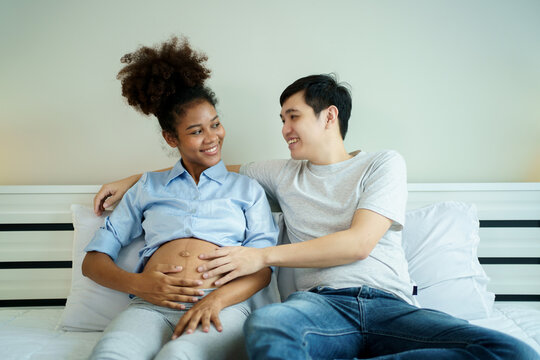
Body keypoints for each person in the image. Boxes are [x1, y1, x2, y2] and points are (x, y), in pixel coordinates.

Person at [94, 74, 539, 359]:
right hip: (319, 307)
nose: (283, 129)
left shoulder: (383, 163)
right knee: (268, 327)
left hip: (391, 305)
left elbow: (359, 242)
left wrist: (263, 257)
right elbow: (208, 166)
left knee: (508, 351)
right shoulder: (280, 174)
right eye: (282, 118)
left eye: (292, 116)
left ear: (329, 117)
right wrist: (135, 178)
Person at [83, 36, 279, 360]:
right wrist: (139, 285)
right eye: (196, 131)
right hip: (150, 306)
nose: (212, 137)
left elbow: (262, 270)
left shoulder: (247, 190)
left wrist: (215, 300)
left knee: (177, 357)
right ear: (170, 137)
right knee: (109, 354)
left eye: (215, 124)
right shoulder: (148, 187)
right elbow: (93, 262)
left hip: (220, 306)